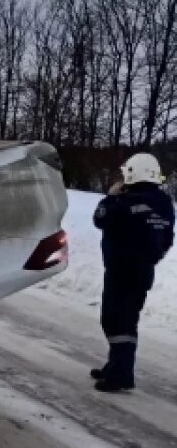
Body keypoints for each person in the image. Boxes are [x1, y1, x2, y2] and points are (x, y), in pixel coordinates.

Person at [90, 152, 174, 392]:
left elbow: (100, 218)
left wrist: (111, 197)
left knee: (116, 320)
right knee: (126, 318)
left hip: (121, 270)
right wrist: (153, 257)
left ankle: (121, 375)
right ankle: (116, 366)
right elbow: (167, 238)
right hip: (143, 271)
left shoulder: (126, 202)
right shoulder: (164, 203)